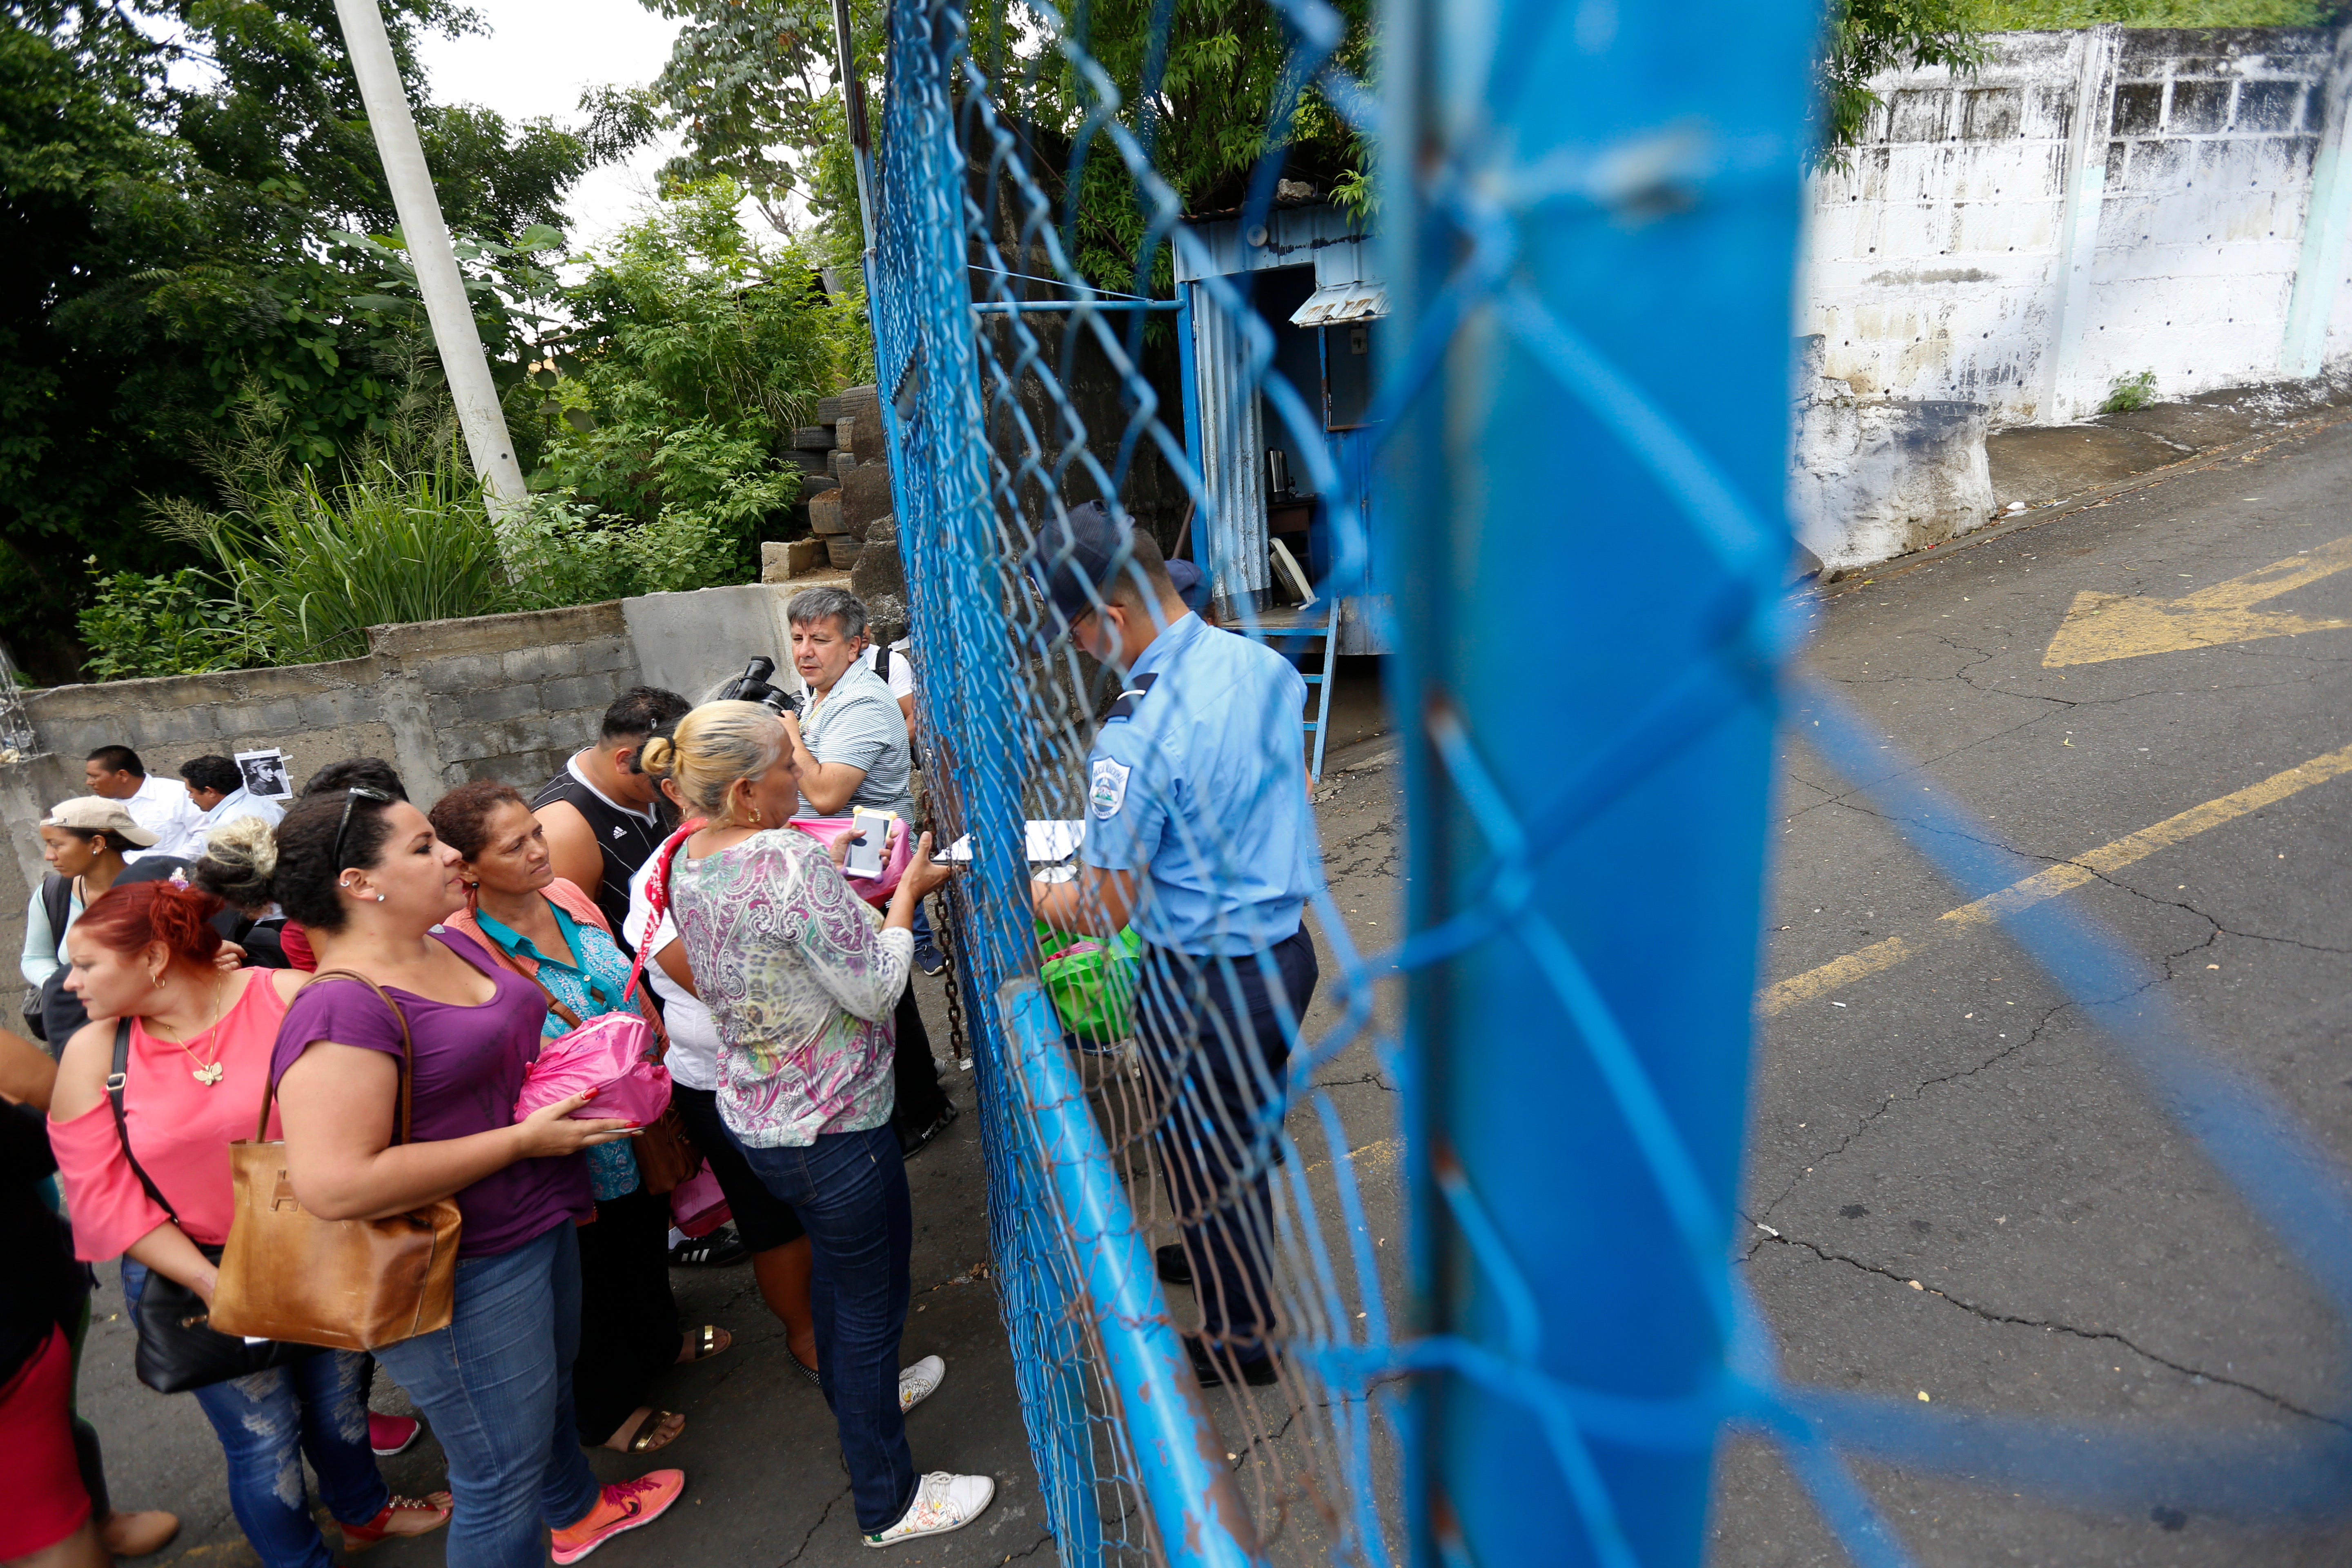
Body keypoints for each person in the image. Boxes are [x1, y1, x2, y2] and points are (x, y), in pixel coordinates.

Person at [257, 786, 685, 1568]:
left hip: (541, 1219)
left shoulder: (446, 944)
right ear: (358, 883)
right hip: (460, 1267)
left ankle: (580, 1512)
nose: (451, 854)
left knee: (547, 1405)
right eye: (422, 847)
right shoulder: (341, 1011)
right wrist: (518, 1142)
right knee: (497, 1480)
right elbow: (336, 1184)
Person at [647, 703, 991, 1548]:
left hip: (758, 1118)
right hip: (836, 1128)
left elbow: (764, 932)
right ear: (744, 791)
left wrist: (821, 874)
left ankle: (859, 1391)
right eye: (784, 769)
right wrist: (906, 895)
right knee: (869, 1304)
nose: (798, 779)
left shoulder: (688, 856)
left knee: (843, 1285)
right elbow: (875, 989)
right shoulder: (788, 862)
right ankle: (889, 1502)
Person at [45, 880, 452, 1568]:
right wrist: (216, 1283)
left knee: (340, 1408)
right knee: (264, 1439)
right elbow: (106, 1198)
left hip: (328, 1247)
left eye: (86, 965)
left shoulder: (291, 997)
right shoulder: (94, 1055)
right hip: (198, 1268)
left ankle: (365, 1512)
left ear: (154, 958)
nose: (68, 982)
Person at [1022, 501, 1321, 1390]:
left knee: (1202, 1149)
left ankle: (1243, 1340)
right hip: (1284, 952)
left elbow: (1103, 910)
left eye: (1072, 628)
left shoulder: (1131, 735)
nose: (1073, 647)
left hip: (1202, 981)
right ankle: (1223, 1247)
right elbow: (1293, 785)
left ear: (1111, 617)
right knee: (1238, 1133)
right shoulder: (1265, 666)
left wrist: (1033, 887)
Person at [431, 780, 729, 1454]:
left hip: (639, 1109)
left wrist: (657, 1060)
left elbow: (628, 982)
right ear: (469, 868)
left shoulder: (565, 895)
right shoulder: (461, 945)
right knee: (588, 1270)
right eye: (516, 846)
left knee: (644, 1232)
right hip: (564, 1136)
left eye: (536, 833)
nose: (540, 851)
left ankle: (659, 1341)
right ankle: (607, 1412)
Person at [625, 753, 822, 1377]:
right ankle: (810, 1340)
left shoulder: (776, 845)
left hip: (794, 1068)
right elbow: (730, 995)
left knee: (817, 1212)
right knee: (775, 1220)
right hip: (729, 1080)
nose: (794, 777)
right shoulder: (662, 877)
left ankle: (837, 1332)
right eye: (782, 767)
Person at [780, 588, 954, 1152]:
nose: (806, 651)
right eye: (800, 638)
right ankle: (917, 1095)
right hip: (848, 847)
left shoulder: (861, 701)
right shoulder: (822, 694)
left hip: (868, 851)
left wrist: (788, 738)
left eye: (820, 640)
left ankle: (921, 1107)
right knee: (874, 975)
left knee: (881, 977)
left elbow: (828, 792)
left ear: (856, 645)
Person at [531, 687, 692, 950]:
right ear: (626, 760)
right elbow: (572, 945)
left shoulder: (642, 787)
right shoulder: (564, 828)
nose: (681, 778)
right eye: (667, 766)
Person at [81, 747, 202, 862]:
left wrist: (171, 865)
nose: (89, 782)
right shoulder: (100, 806)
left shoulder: (176, 794)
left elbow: (204, 833)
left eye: (95, 776)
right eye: (89, 776)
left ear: (123, 775)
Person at [178, 755, 285, 840]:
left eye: (191, 792)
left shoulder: (225, 829)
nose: (190, 796)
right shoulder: (270, 806)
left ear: (210, 792)